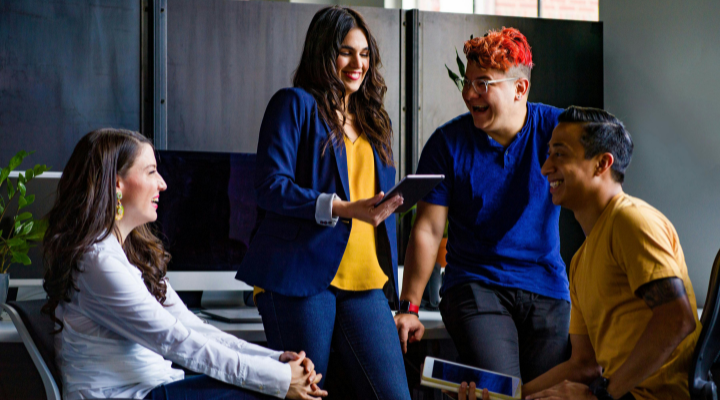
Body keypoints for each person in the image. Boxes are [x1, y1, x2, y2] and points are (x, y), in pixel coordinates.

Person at [41, 128, 326, 400]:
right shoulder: (98, 262)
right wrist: (279, 378)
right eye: (151, 171)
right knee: (267, 392)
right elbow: (175, 340)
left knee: (267, 387)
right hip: (127, 394)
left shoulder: (128, 255)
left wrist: (275, 360)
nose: (162, 183)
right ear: (117, 183)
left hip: (157, 386)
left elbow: (192, 328)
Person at [234, 6, 410, 400]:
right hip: (302, 277)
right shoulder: (294, 105)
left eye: (364, 54)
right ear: (323, 52)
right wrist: (343, 208)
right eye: (346, 51)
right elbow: (270, 186)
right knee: (308, 393)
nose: (357, 63)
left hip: (366, 281)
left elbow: (373, 206)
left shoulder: (375, 120)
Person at [395, 27, 570, 383]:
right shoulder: (447, 144)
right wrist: (409, 308)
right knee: (502, 390)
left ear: (520, 89)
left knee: (544, 393)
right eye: (468, 82)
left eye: (483, 83)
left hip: (546, 287)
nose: (469, 93)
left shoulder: (558, 130)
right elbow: (428, 230)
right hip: (475, 285)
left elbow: (603, 174)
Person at [523, 106, 700, 400]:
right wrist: (507, 395)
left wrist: (604, 396)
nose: (545, 168)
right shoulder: (580, 260)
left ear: (601, 164)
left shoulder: (631, 221)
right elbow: (584, 364)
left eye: (560, 154)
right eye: (548, 154)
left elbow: (677, 318)